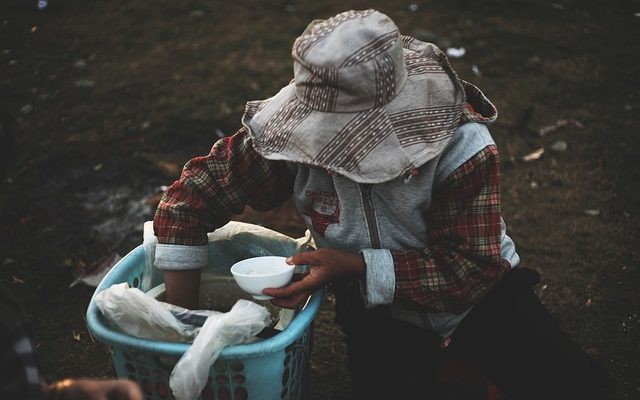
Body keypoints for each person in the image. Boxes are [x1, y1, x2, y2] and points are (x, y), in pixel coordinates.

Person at [152, 9, 609, 399]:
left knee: (577, 387)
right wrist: (184, 332)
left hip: (479, 299)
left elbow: (469, 269)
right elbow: (188, 202)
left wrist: (354, 266)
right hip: (380, 314)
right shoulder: (290, 139)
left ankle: (465, 365)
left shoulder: (464, 147)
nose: (331, 159)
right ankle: (457, 373)